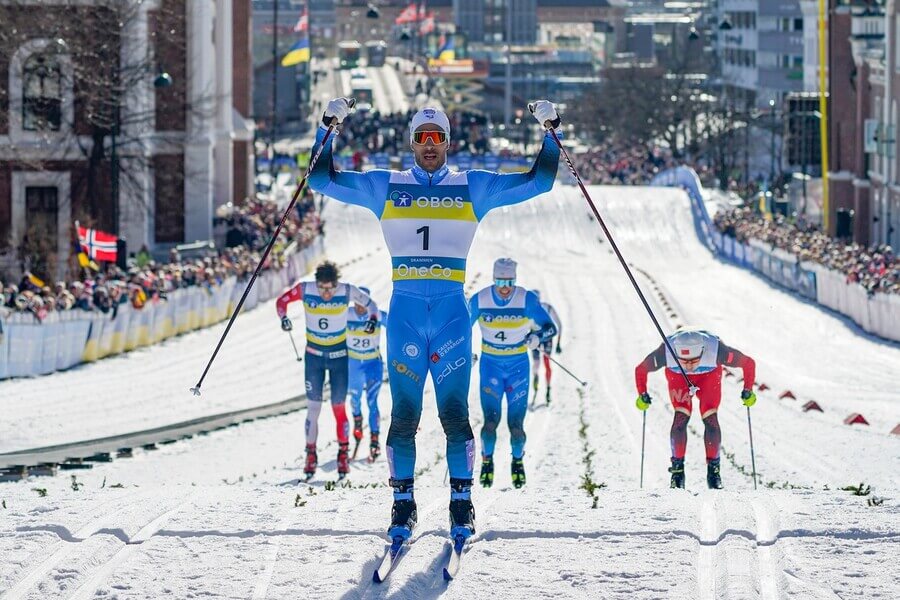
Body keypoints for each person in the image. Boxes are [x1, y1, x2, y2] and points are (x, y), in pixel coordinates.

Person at [308, 98, 562, 543]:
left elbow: (539, 182)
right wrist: (327, 126)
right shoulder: (385, 186)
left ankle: (461, 505)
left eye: (437, 137)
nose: (429, 145)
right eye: (422, 137)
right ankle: (402, 506)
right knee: (403, 416)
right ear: (411, 141)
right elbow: (319, 178)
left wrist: (551, 131)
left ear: (448, 141)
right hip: (406, 314)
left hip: (450, 317)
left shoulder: (473, 186)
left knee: (454, 416)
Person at [276, 261, 377, 480]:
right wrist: (283, 317)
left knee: (338, 407)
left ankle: (343, 454)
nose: (326, 293)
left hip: (339, 358)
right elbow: (281, 301)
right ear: (317, 284)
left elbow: (372, 306)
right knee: (313, 408)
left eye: (330, 288)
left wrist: (372, 320)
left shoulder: (347, 290)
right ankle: (310, 455)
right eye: (322, 288)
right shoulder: (306, 289)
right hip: (314, 358)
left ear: (336, 284)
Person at [469, 258, 557, 489]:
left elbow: (550, 328)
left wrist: (538, 337)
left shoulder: (526, 299)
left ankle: (517, 461)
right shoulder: (480, 299)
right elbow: (460, 328)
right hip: (491, 366)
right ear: (493, 279)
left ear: (515, 279)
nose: (505, 287)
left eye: (509, 281)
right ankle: (487, 461)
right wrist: (464, 353)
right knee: (490, 422)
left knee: (516, 426)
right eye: (500, 281)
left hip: (518, 367)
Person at [633, 327, 757, 489]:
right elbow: (641, 369)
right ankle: (677, 474)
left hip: (709, 376)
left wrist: (748, 390)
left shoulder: (717, 350)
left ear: (703, 351)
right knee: (681, 417)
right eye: (684, 361)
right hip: (678, 377)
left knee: (710, 417)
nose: (689, 366)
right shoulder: (666, 352)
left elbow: (748, 363)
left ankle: (713, 474)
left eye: (693, 360)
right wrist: (642, 394)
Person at [346, 286, 388, 462]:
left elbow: (397, 327)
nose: (360, 307)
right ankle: (357, 423)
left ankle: (375, 440)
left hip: (373, 364)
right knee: (354, 400)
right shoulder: (345, 314)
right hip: (353, 365)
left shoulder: (377, 314)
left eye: (364, 303)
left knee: (372, 401)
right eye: (357, 302)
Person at [530, 289, 562, 405]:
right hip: (535, 339)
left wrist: (558, 343)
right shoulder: (528, 310)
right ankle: (536, 386)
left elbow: (558, 325)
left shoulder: (548, 308)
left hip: (547, 338)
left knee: (547, 363)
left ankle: (548, 389)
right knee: (537, 364)